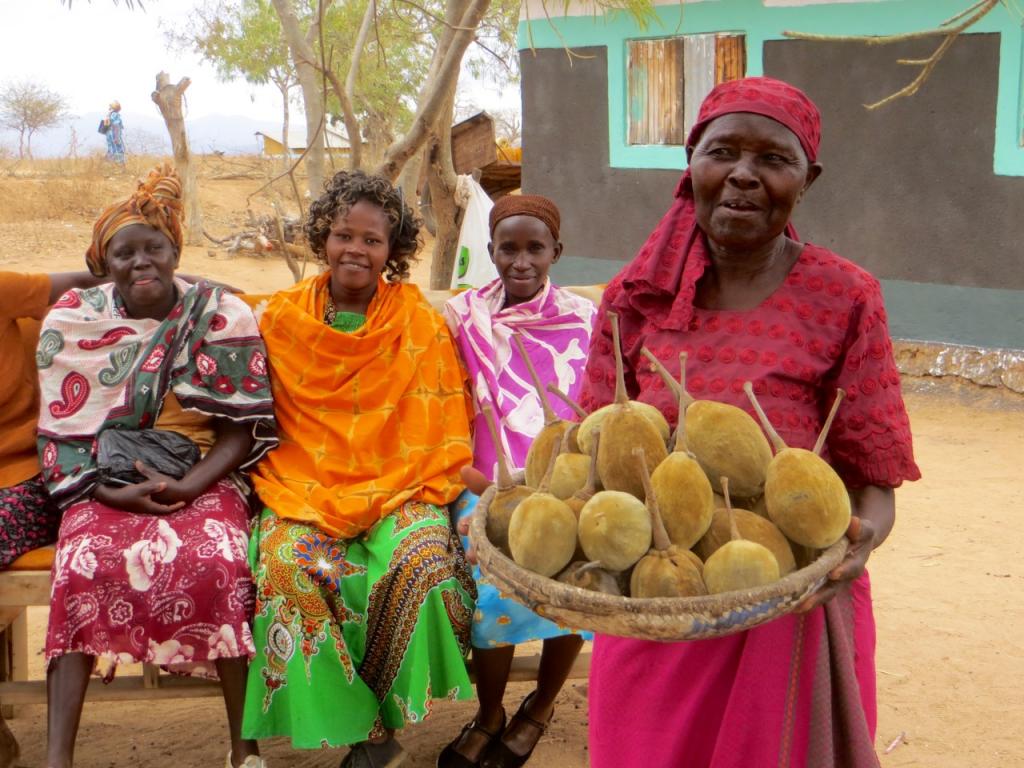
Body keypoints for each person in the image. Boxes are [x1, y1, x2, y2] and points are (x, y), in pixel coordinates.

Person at [577, 77, 921, 767]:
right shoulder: (634, 299)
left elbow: (874, 482)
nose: (742, 174)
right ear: (691, 162)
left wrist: (860, 544)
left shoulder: (845, 296)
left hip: (786, 615)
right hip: (655, 612)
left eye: (772, 159)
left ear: (807, 179)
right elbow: (590, 459)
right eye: (722, 151)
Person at [37, 164, 277, 768]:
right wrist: (110, 495)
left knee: (221, 559)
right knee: (81, 562)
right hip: (99, 478)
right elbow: (64, 437)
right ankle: (57, 756)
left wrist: (187, 486)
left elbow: (240, 428)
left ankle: (242, 747)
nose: (141, 262)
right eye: (124, 253)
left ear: (176, 253)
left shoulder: (219, 313)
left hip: (204, 471)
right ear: (103, 261)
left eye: (154, 248)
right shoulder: (71, 320)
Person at [240, 170, 476, 767]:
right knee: (289, 565)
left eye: (373, 240)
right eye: (344, 235)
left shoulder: (417, 322)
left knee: (421, 557)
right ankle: (367, 738)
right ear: (323, 238)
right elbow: (254, 419)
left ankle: (384, 726)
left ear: (392, 251)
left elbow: (443, 422)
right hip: (304, 490)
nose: (356, 250)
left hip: (402, 487)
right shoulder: (281, 319)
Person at [439, 195, 596, 768]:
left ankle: (541, 707)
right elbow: (443, 403)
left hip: (568, 481)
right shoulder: (463, 316)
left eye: (535, 248)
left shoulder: (585, 319)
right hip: (484, 480)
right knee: (489, 572)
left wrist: (576, 486)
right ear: (491, 252)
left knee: (578, 574)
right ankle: (490, 712)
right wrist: (476, 482)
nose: (521, 260)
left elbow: (596, 415)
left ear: (557, 251)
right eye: (509, 248)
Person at [103, 101, 125, 165]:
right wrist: (117, 138)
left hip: (109, 134)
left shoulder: (109, 114)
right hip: (114, 134)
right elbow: (116, 126)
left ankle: (108, 164)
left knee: (111, 149)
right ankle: (119, 165)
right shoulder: (115, 115)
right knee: (118, 149)